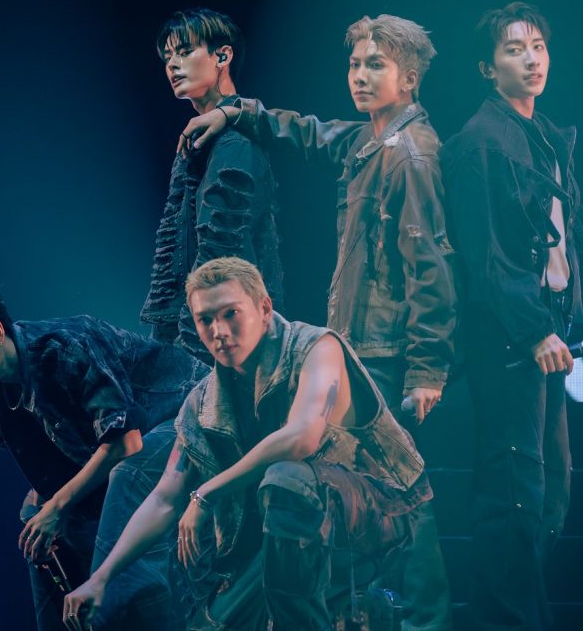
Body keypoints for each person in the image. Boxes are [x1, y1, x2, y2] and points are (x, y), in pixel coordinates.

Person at [178, 14, 455, 630]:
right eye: (355, 64)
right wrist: (237, 112)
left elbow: (430, 266)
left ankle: (425, 621)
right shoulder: (369, 141)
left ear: (409, 78)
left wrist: (427, 368)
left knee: (399, 488)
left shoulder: (410, 154)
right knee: (351, 492)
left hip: (386, 350)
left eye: (376, 64)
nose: (360, 75)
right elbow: (307, 132)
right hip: (358, 343)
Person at [63, 257, 432, 631]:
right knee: (209, 626)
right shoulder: (202, 404)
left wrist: (206, 493)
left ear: (265, 309)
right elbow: (163, 499)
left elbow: (301, 438)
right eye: (205, 320)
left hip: (382, 514)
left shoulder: (316, 348)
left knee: (286, 480)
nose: (219, 331)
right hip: (287, 542)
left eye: (231, 314)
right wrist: (101, 578)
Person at [0, 276, 209, 631]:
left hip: (183, 417)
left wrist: (57, 506)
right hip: (120, 449)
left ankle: (115, 603)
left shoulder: (66, 348)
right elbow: (45, 472)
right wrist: (44, 516)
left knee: (123, 478)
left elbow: (126, 442)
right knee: (36, 521)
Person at [440, 2, 583, 630]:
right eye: (514, 49)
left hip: (543, 330)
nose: (532, 59)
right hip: (509, 339)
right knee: (512, 496)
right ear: (487, 67)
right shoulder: (479, 141)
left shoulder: (541, 134)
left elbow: (558, 239)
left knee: (549, 492)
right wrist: (533, 330)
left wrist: (560, 319)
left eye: (539, 47)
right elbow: (486, 258)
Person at [142, 8, 284, 365]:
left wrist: (192, 341)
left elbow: (221, 252)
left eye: (184, 51)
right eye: (168, 57)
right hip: (195, 328)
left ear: (222, 56)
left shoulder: (235, 140)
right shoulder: (200, 139)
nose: (172, 65)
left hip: (217, 336)